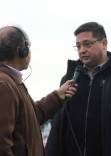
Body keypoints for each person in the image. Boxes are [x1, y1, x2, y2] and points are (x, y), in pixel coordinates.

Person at [45, 22, 111, 156]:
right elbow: (59, 123)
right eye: (78, 46)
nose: (82, 50)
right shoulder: (69, 79)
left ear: (104, 43)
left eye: (87, 44)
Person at [0, 25, 77, 156]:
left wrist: (57, 96)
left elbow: (32, 118)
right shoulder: (4, 85)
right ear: (21, 50)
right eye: (28, 46)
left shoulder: (11, 81)